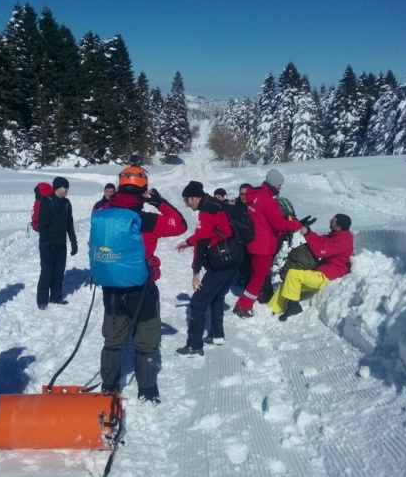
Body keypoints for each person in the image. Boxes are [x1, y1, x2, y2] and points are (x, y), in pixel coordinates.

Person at [97, 165, 187, 405]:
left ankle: (108, 386)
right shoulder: (145, 220)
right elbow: (179, 225)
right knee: (146, 339)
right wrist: (159, 202)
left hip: (112, 286)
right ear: (143, 190)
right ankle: (147, 391)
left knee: (113, 339)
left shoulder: (104, 214)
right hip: (141, 288)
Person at [175, 181, 239, 356]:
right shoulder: (216, 204)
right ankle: (217, 335)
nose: (187, 204)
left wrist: (196, 271)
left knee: (198, 302)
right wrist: (188, 242)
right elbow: (208, 233)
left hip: (222, 261)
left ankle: (194, 346)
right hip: (233, 257)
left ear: (196, 197)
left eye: (187, 200)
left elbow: (202, 242)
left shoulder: (207, 211)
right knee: (217, 296)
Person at [232, 169, 303, 318]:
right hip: (264, 245)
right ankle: (242, 306)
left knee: (256, 274)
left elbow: (264, 221)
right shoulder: (267, 200)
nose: (280, 188)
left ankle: (255, 297)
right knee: (260, 277)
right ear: (273, 184)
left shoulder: (256, 195)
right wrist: (297, 224)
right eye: (279, 185)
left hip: (254, 242)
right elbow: (278, 224)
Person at [268, 214, 354, 321]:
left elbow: (320, 251)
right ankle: (272, 309)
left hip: (329, 276)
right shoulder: (337, 235)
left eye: (333, 221)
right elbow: (320, 240)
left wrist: (307, 234)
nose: (329, 220)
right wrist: (308, 230)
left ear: (338, 227)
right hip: (323, 271)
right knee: (288, 282)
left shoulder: (343, 241)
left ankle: (294, 307)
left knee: (293, 274)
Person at [37, 176, 77, 309]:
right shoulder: (47, 202)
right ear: (58, 187)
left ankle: (55, 296)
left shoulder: (67, 203)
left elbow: (69, 224)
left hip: (61, 243)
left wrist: (73, 242)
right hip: (48, 244)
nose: (67, 190)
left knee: (59, 272)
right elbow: (42, 226)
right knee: (47, 272)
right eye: (65, 187)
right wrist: (44, 245)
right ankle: (42, 300)